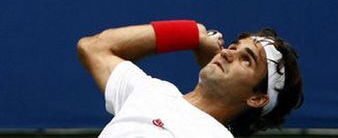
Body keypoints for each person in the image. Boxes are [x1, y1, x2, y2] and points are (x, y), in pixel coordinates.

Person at [77, 19, 304, 137]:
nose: (227, 53)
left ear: (257, 98)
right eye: (233, 47)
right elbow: (94, 48)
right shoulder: (152, 91)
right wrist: (190, 34)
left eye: (246, 60)